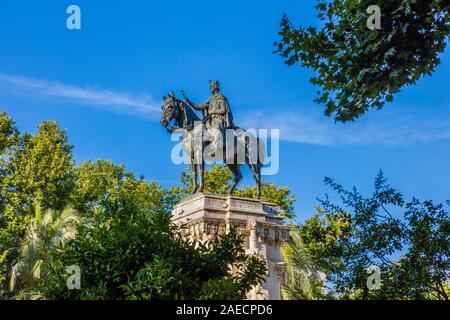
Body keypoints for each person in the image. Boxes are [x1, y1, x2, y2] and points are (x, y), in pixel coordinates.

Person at [183, 81, 234, 157]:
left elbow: (223, 110)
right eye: (210, 87)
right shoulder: (210, 99)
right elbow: (199, 107)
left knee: (216, 131)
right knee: (200, 129)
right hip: (210, 120)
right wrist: (189, 102)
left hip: (219, 119)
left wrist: (211, 111)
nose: (210, 89)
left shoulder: (222, 97)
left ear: (215, 87)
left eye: (211, 87)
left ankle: (215, 150)